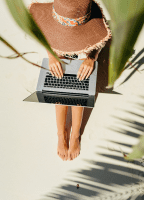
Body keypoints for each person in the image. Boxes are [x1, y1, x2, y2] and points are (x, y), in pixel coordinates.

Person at [28, 0, 112, 161]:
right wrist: (51, 56)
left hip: (84, 47)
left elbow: (101, 39)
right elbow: (42, 34)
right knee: (58, 76)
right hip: (58, 43)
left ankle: (75, 134)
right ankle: (61, 133)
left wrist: (91, 58)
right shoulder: (60, 12)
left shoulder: (87, 15)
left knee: (80, 77)